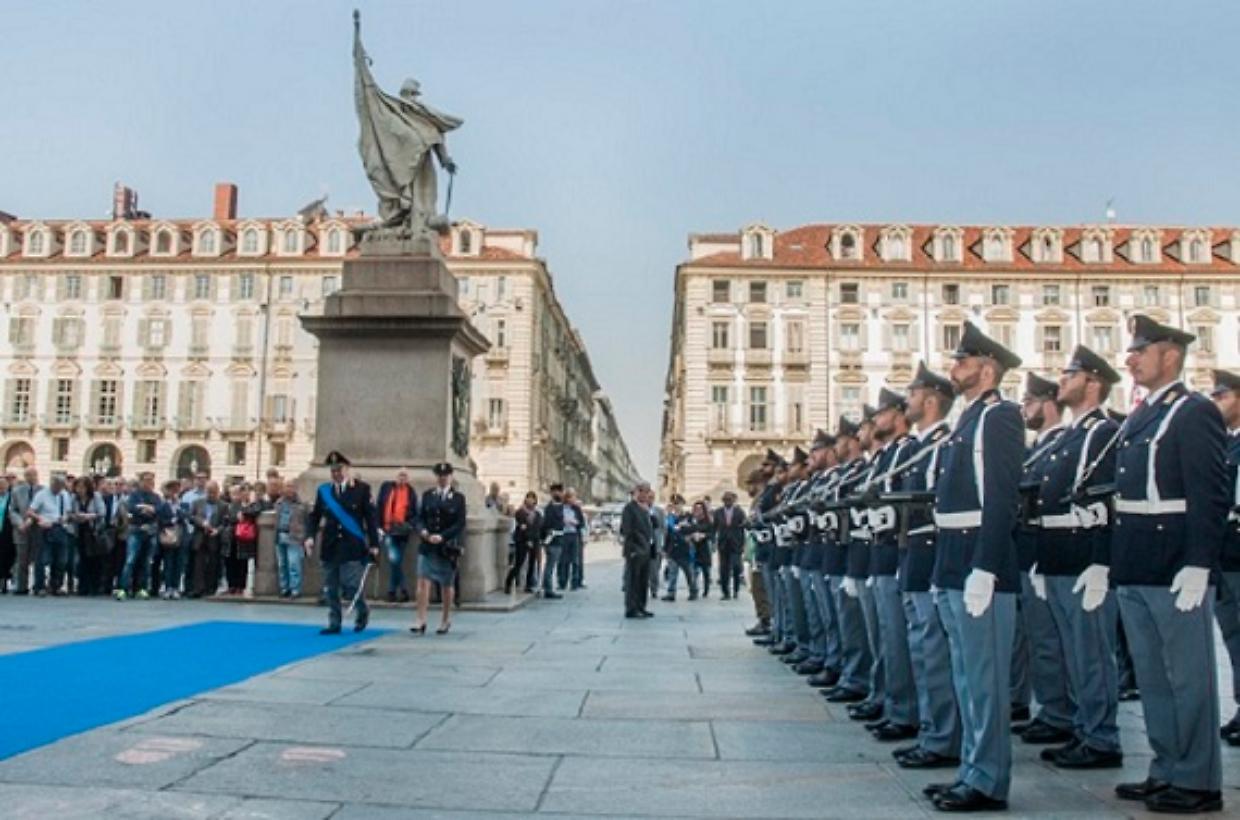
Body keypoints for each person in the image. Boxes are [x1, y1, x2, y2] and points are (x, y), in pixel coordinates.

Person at [1110, 315, 1228, 814]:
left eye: (1141, 349)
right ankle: (1166, 767)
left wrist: (1199, 563)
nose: (1130, 358)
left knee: (1188, 676)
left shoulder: (1193, 410)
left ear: (1171, 355)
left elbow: (1209, 493)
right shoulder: (1140, 414)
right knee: (1154, 676)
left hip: (1174, 560)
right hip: (1136, 559)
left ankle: (1199, 780)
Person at [923, 320, 1024, 813]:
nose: (953, 368)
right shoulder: (966, 419)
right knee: (966, 677)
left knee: (984, 682)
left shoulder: (999, 416)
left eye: (961, 361)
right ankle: (971, 769)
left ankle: (987, 780)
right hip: (952, 555)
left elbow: (1001, 496)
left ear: (987, 368)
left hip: (979, 559)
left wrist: (986, 566)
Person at [1032, 345, 1124, 770]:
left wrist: (1102, 561)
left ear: (1093, 382)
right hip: (1056, 556)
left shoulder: (1102, 433)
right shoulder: (1071, 435)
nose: (1061, 380)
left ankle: (1101, 738)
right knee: (1071, 651)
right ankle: (1082, 728)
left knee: (1091, 655)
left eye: (1070, 374)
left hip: (1083, 558)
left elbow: (1107, 500)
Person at [892, 361, 961, 771]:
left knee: (935, 654)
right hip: (914, 557)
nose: (908, 400)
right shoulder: (922, 447)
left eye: (914, 393)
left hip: (933, 555)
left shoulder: (942, 443)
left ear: (932, 400)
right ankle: (932, 731)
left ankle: (942, 738)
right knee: (922, 650)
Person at [1011, 372, 1075, 746]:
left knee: (1052, 641)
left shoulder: (1065, 443)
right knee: (1037, 640)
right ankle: (1051, 709)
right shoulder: (1032, 449)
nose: (1024, 410)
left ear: (1049, 403)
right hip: (1028, 551)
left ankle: (1061, 713)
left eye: (1030, 402)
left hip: (1049, 551)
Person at [864, 388, 920, 743]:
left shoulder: (912, 451)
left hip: (899, 555)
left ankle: (904, 711)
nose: (874, 422)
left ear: (899, 414)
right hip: (882, 555)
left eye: (881, 413)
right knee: (888, 638)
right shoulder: (888, 457)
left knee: (901, 641)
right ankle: (890, 702)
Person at [306, 451, 380, 635]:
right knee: (330, 587)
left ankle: (362, 611)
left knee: (351, 585)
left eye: (339, 469)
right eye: (333, 470)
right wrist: (310, 537)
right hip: (330, 545)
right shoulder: (324, 491)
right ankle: (334, 622)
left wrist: (374, 543)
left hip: (352, 544)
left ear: (347, 469)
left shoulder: (361, 490)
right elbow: (315, 517)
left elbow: (371, 518)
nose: (336, 473)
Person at [1209, 368, 1240, 747]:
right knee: (1233, 635)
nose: (1217, 403)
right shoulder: (1228, 444)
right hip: (1227, 554)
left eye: (1223, 396)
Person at [413, 462, 467, 635]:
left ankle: (445, 619)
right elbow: (419, 518)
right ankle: (421, 619)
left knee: (446, 584)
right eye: (439, 476)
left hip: (446, 547)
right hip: (427, 545)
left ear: (450, 477)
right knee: (422, 581)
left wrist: (443, 536)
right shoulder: (428, 495)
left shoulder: (458, 498)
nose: (442, 478)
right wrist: (423, 531)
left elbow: (460, 523)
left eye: (445, 476)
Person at [117, 472, 161, 600]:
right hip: (135, 530)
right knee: (130, 560)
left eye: (151, 481)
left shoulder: (156, 497)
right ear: (141, 482)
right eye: (146, 480)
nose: (149, 483)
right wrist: (148, 509)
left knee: (146, 562)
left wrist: (145, 508)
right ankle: (123, 588)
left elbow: (159, 510)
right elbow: (132, 509)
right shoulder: (134, 495)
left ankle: (141, 588)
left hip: (150, 532)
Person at [28, 474, 74, 596]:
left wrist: (65, 518)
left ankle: (56, 585)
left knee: (61, 559)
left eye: (60, 487)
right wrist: (40, 519)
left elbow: (68, 512)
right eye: (56, 486)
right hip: (46, 528)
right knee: (43, 559)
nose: (58, 489)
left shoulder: (64, 495)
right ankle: (39, 586)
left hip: (61, 527)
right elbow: (31, 511)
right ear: (52, 484)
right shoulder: (42, 494)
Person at [377, 469, 418, 602]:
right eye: (400, 475)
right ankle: (401, 589)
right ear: (395, 477)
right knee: (394, 559)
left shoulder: (411, 492)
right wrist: (378, 526)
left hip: (403, 531)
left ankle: (393, 591)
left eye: (405, 476)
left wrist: (410, 524)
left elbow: (414, 512)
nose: (402, 478)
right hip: (388, 529)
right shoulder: (387, 487)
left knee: (396, 561)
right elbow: (379, 506)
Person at [620, 481, 655, 618]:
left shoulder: (646, 509)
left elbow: (652, 527)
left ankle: (641, 606)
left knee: (643, 581)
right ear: (638, 492)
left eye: (648, 492)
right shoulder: (630, 508)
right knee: (633, 580)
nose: (646, 495)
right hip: (635, 550)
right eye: (644, 491)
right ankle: (631, 608)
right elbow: (627, 530)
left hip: (646, 550)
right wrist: (632, 549)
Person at [69, 476, 107, 596]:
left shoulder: (96, 497)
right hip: (79, 532)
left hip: (93, 532)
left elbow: (102, 513)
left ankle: (95, 586)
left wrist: (88, 516)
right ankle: (82, 586)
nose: (80, 490)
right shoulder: (74, 498)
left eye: (82, 487)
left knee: (95, 560)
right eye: (78, 487)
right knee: (82, 560)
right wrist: (76, 516)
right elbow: (69, 512)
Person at [190, 481, 228, 598]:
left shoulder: (223, 505)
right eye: (209, 492)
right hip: (200, 536)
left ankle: (211, 588)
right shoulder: (197, 503)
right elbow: (191, 517)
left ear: (218, 492)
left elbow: (225, 522)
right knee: (198, 564)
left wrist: (218, 530)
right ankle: (198, 588)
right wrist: (202, 523)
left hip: (214, 537)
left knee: (213, 564)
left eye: (213, 492)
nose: (211, 494)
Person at [273, 483, 309, 598]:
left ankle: (295, 589)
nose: (289, 489)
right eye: (287, 486)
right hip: (280, 535)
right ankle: (284, 588)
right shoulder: (278, 503)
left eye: (291, 487)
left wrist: (304, 536)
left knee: (294, 564)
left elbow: (307, 521)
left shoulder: (302, 504)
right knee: (282, 564)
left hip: (294, 537)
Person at [8, 468, 40, 595]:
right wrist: (20, 522)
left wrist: (32, 519)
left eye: (33, 475)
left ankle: (38, 586)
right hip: (21, 530)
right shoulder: (17, 491)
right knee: (22, 559)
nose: (31, 477)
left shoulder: (43, 491)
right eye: (28, 475)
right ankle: (22, 586)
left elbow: (44, 508)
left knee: (37, 559)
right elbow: (12, 510)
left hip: (37, 529)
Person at [505, 491, 542, 594]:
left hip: (534, 541)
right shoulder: (520, 512)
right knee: (519, 563)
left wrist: (534, 539)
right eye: (528, 498)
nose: (530, 500)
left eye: (532, 498)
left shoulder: (537, 514)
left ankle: (529, 585)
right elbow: (522, 527)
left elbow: (536, 528)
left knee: (532, 564)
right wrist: (528, 538)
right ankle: (508, 582)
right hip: (522, 541)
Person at [662, 496, 698, 601]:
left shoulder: (688, 516)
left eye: (679, 503)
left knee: (689, 572)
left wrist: (683, 527)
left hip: (685, 549)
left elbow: (693, 529)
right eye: (675, 504)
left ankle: (693, 591)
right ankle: (671, 593)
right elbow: (668, 534)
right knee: (672, 573)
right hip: (673, 549)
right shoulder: (670, 518)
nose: (677, 506)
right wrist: (665, 549)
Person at [714, 490, 746, 600]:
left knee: (736, 566)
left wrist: (743, 544)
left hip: (736, 543)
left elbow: (743, 528)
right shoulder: (718, 512)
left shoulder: (739, 512)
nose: (727, 502)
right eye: (725, 500)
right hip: (723, 544)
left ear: (733, 500)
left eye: (730, 500)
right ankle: (725, 592)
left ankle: (736, 589)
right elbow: (714, 527)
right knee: (723, 569)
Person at [539, 484, 569, 600]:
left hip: (558, 539)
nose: (559, 494)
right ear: (552, 493)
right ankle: (548, 589)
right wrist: (544, 539)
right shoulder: (550, 508)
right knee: (550, 565)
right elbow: (546, 525)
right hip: (552, 540)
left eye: (560, 492)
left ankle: (547, 586)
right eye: (556, 492)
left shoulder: (561, 507)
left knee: (551, 565)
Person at [560, 487, 587, 590]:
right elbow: (557, 520)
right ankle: (562, 581)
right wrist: (563, 521)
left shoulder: (576, 508)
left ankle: (575, 582)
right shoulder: (561, 508)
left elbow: (581, 523)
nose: (573, 499)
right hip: (563, 535)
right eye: (571, 497)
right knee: (564, 560)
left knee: (575, 559)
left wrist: (575, 522)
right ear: (567, 498)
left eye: (574, 497)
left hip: (574, 534)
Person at [0, 476, 13, 593]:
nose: (2, 488)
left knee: (5, 556)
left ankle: (4, 580)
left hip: (6, 532)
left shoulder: (12, 497)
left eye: (4, 485)